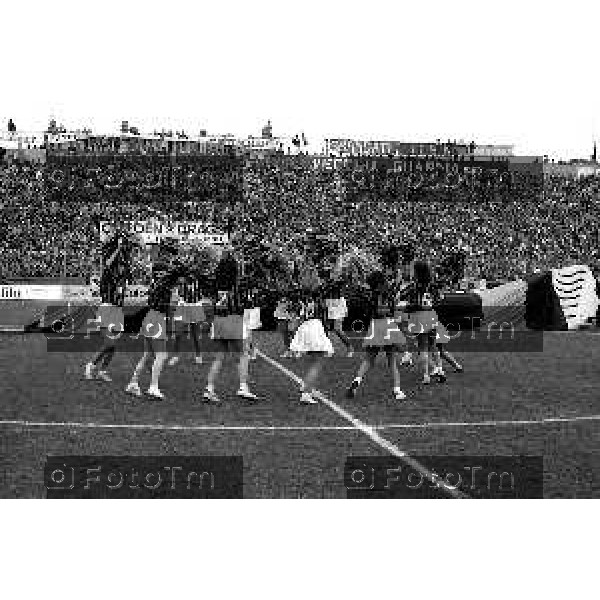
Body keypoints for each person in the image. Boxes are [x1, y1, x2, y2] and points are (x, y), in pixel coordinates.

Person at [125, 255, 189, 400]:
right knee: (161, 355)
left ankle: (133, 383)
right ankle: (153, 387)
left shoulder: (157, 283)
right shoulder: (165, 281)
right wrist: (181, 262)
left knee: (147, 355)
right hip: (157, 318)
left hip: (150, 317)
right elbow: (179, 271)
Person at [346, 272, 407, 401]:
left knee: (368, 360)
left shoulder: (371, 294)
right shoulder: (389, 292)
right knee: (392, 361)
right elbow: (397, 293)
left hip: (375, 325)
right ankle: (397, 390)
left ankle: (357, 380)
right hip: (388, 325)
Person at [84, 230, 135, 382]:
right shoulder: (107, 273)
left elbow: (127, 268)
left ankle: (102, 371)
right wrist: (118, 248)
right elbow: (107, 263)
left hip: (118, 309)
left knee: (114, 345)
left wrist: (127, 253)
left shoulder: (124, 270)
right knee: (109, 342)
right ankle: (91, 365)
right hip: (107, 308)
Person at [202, 290, 258, 403]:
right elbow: (246, 305)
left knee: (218, 359)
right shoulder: (236, 287)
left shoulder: (215, 286)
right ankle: (243, 387)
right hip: (233, 320)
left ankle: (209, 389)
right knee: (243, 355)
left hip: (218, 322)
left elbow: (208, 306)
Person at [289, 288, 332, 404]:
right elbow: (325, 319)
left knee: (312, 362)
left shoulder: (299, 303)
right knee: (317, 364)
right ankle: (306, 393)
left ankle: (306, 386)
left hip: (305, 327)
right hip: (315, 327)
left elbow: (294, 323)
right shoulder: (318, 303)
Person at [325, 282, 353, 357]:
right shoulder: (329, 298)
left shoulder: (342, 300)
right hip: (331, 315)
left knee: (338, 330)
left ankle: (350, 347)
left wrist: (340, 318)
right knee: (327, 332)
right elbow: (327, 308)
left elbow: (344, 312)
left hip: (339, 315)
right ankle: (330, 350)